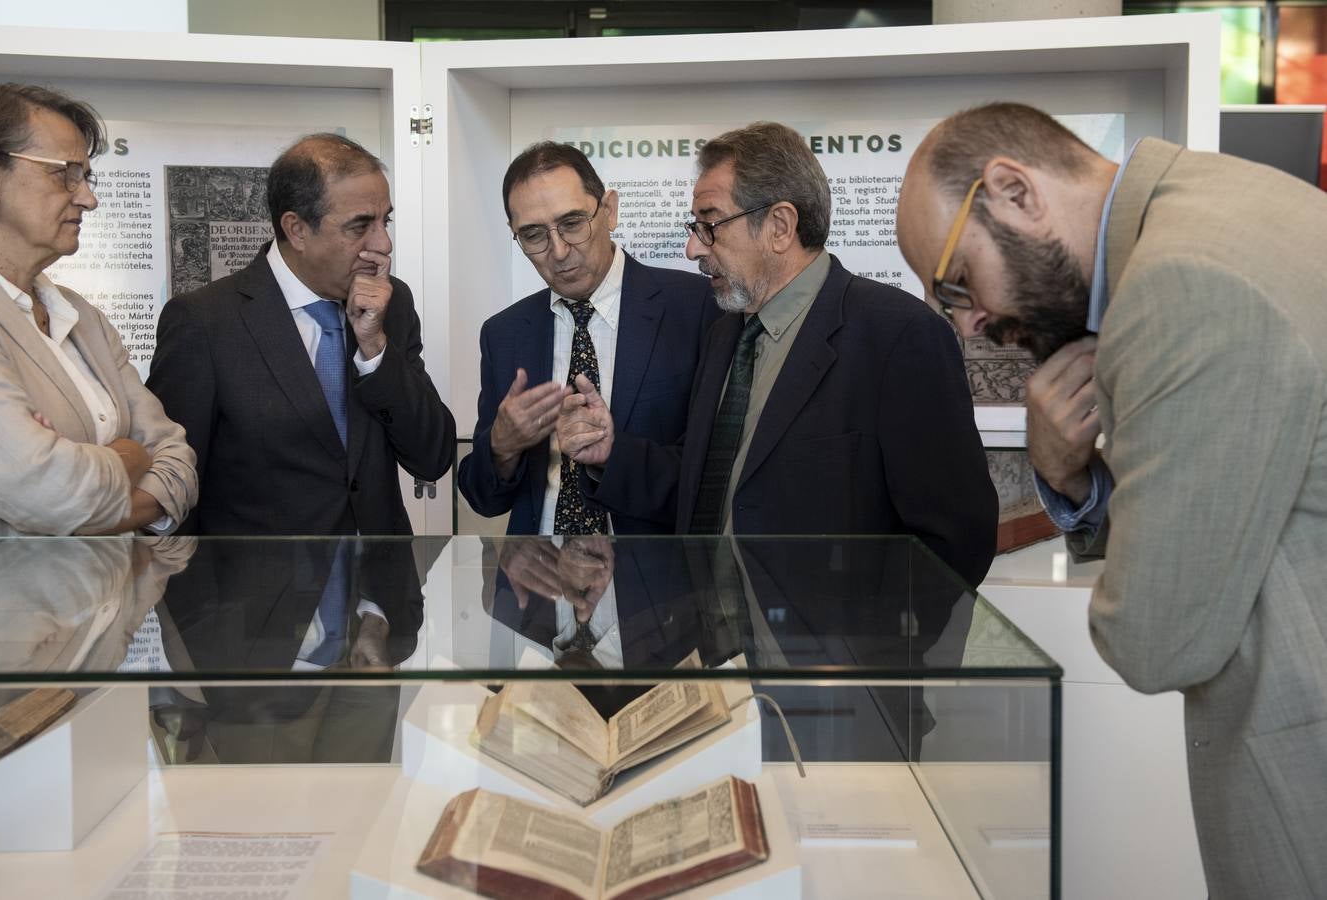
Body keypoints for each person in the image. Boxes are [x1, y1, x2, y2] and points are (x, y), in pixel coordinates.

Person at [895, 101, 1327, 897]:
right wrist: (1067, 477)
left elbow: (1156, 640)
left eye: (956, 287)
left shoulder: (1178, 283)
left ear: (1013, 191)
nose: (970, 326)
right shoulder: (1212, 205)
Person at [559, 121, 998, 587]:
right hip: (717, 646)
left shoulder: (899, 335)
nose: (692, 249)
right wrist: (612, 454)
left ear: (780, 227)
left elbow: (957, 542)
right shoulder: (725, 334)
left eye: (709, 225)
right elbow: (707, 486)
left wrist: (862, 650)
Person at [0, 80, 196, 537]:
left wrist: (82, 473)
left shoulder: (82, 316)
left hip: (98, 601)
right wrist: (131, 457)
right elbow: (46, 491)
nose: (88, 198)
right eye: (65, 174)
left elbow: (177, 459)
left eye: (86, 177)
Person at [147, 133, 455, 535]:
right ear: (296, 229)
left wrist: (375, 347)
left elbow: (432, 456)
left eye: (385, 221)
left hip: (379, 589)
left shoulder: (391, 305)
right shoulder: (204, 322)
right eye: (360, 226)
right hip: (257, 592)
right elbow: (175, 485)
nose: (383, 244)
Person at [458, 141, 719, 536]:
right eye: (533, 235)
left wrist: (613, 457)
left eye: (572, 223)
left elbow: (714, 478)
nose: (559, 251)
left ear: (609, 211)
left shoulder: (698, 308)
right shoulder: (504, 333)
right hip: (537, 583)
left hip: (652, 584)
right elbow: (484, 499)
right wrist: (501, 447)